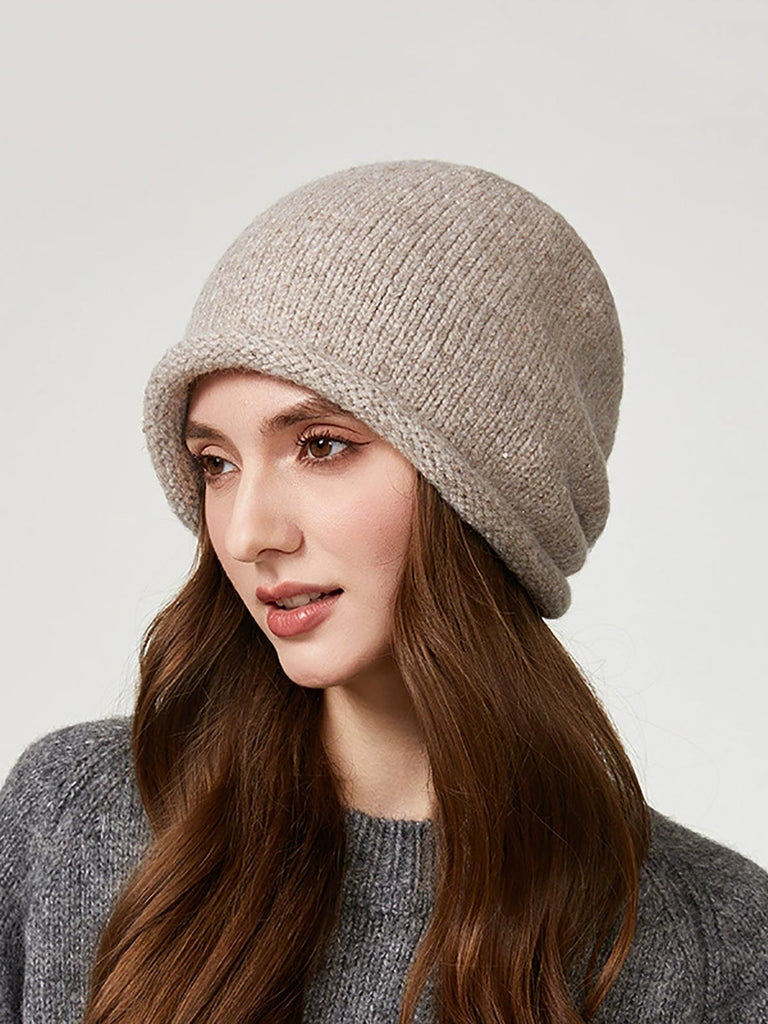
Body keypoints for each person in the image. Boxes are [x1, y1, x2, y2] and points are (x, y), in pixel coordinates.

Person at [1, 160, 766, 1024]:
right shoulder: (74, 817)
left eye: (322, 445)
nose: (247, 533)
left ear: (489, 491)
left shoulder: (715, 945)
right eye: (216, 462)